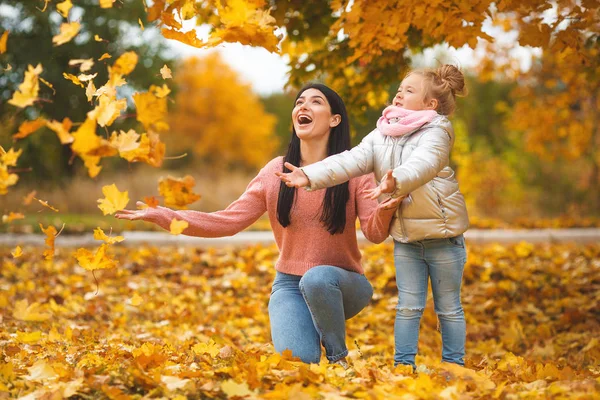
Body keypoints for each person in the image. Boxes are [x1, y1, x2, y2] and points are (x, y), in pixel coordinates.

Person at [115, 83, 401, 367]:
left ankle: (339, 358)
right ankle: (312, 334)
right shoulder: (275, 172)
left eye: (316, 102)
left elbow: (375, 234)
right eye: (299, 102)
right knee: (297, 364)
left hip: (343, 285)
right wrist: (163, 215)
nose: (303, 106)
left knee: (317, 279)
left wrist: (387, 208)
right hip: (290, 285)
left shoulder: (352, 172)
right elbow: (226, 222)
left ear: (334, 120)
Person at [276, 65, 470, 370]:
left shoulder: (438, 131)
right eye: (400, 88)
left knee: (448, 309)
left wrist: (397, 180)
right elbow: (351, 160)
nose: (399, 93)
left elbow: (425, 163)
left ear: (430, 104)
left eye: (409, 90)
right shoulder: (383, 133)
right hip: (406, 240)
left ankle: (454, 366)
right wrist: (309, 175)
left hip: (444, 237)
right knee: (408, 307)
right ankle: (403, 367)